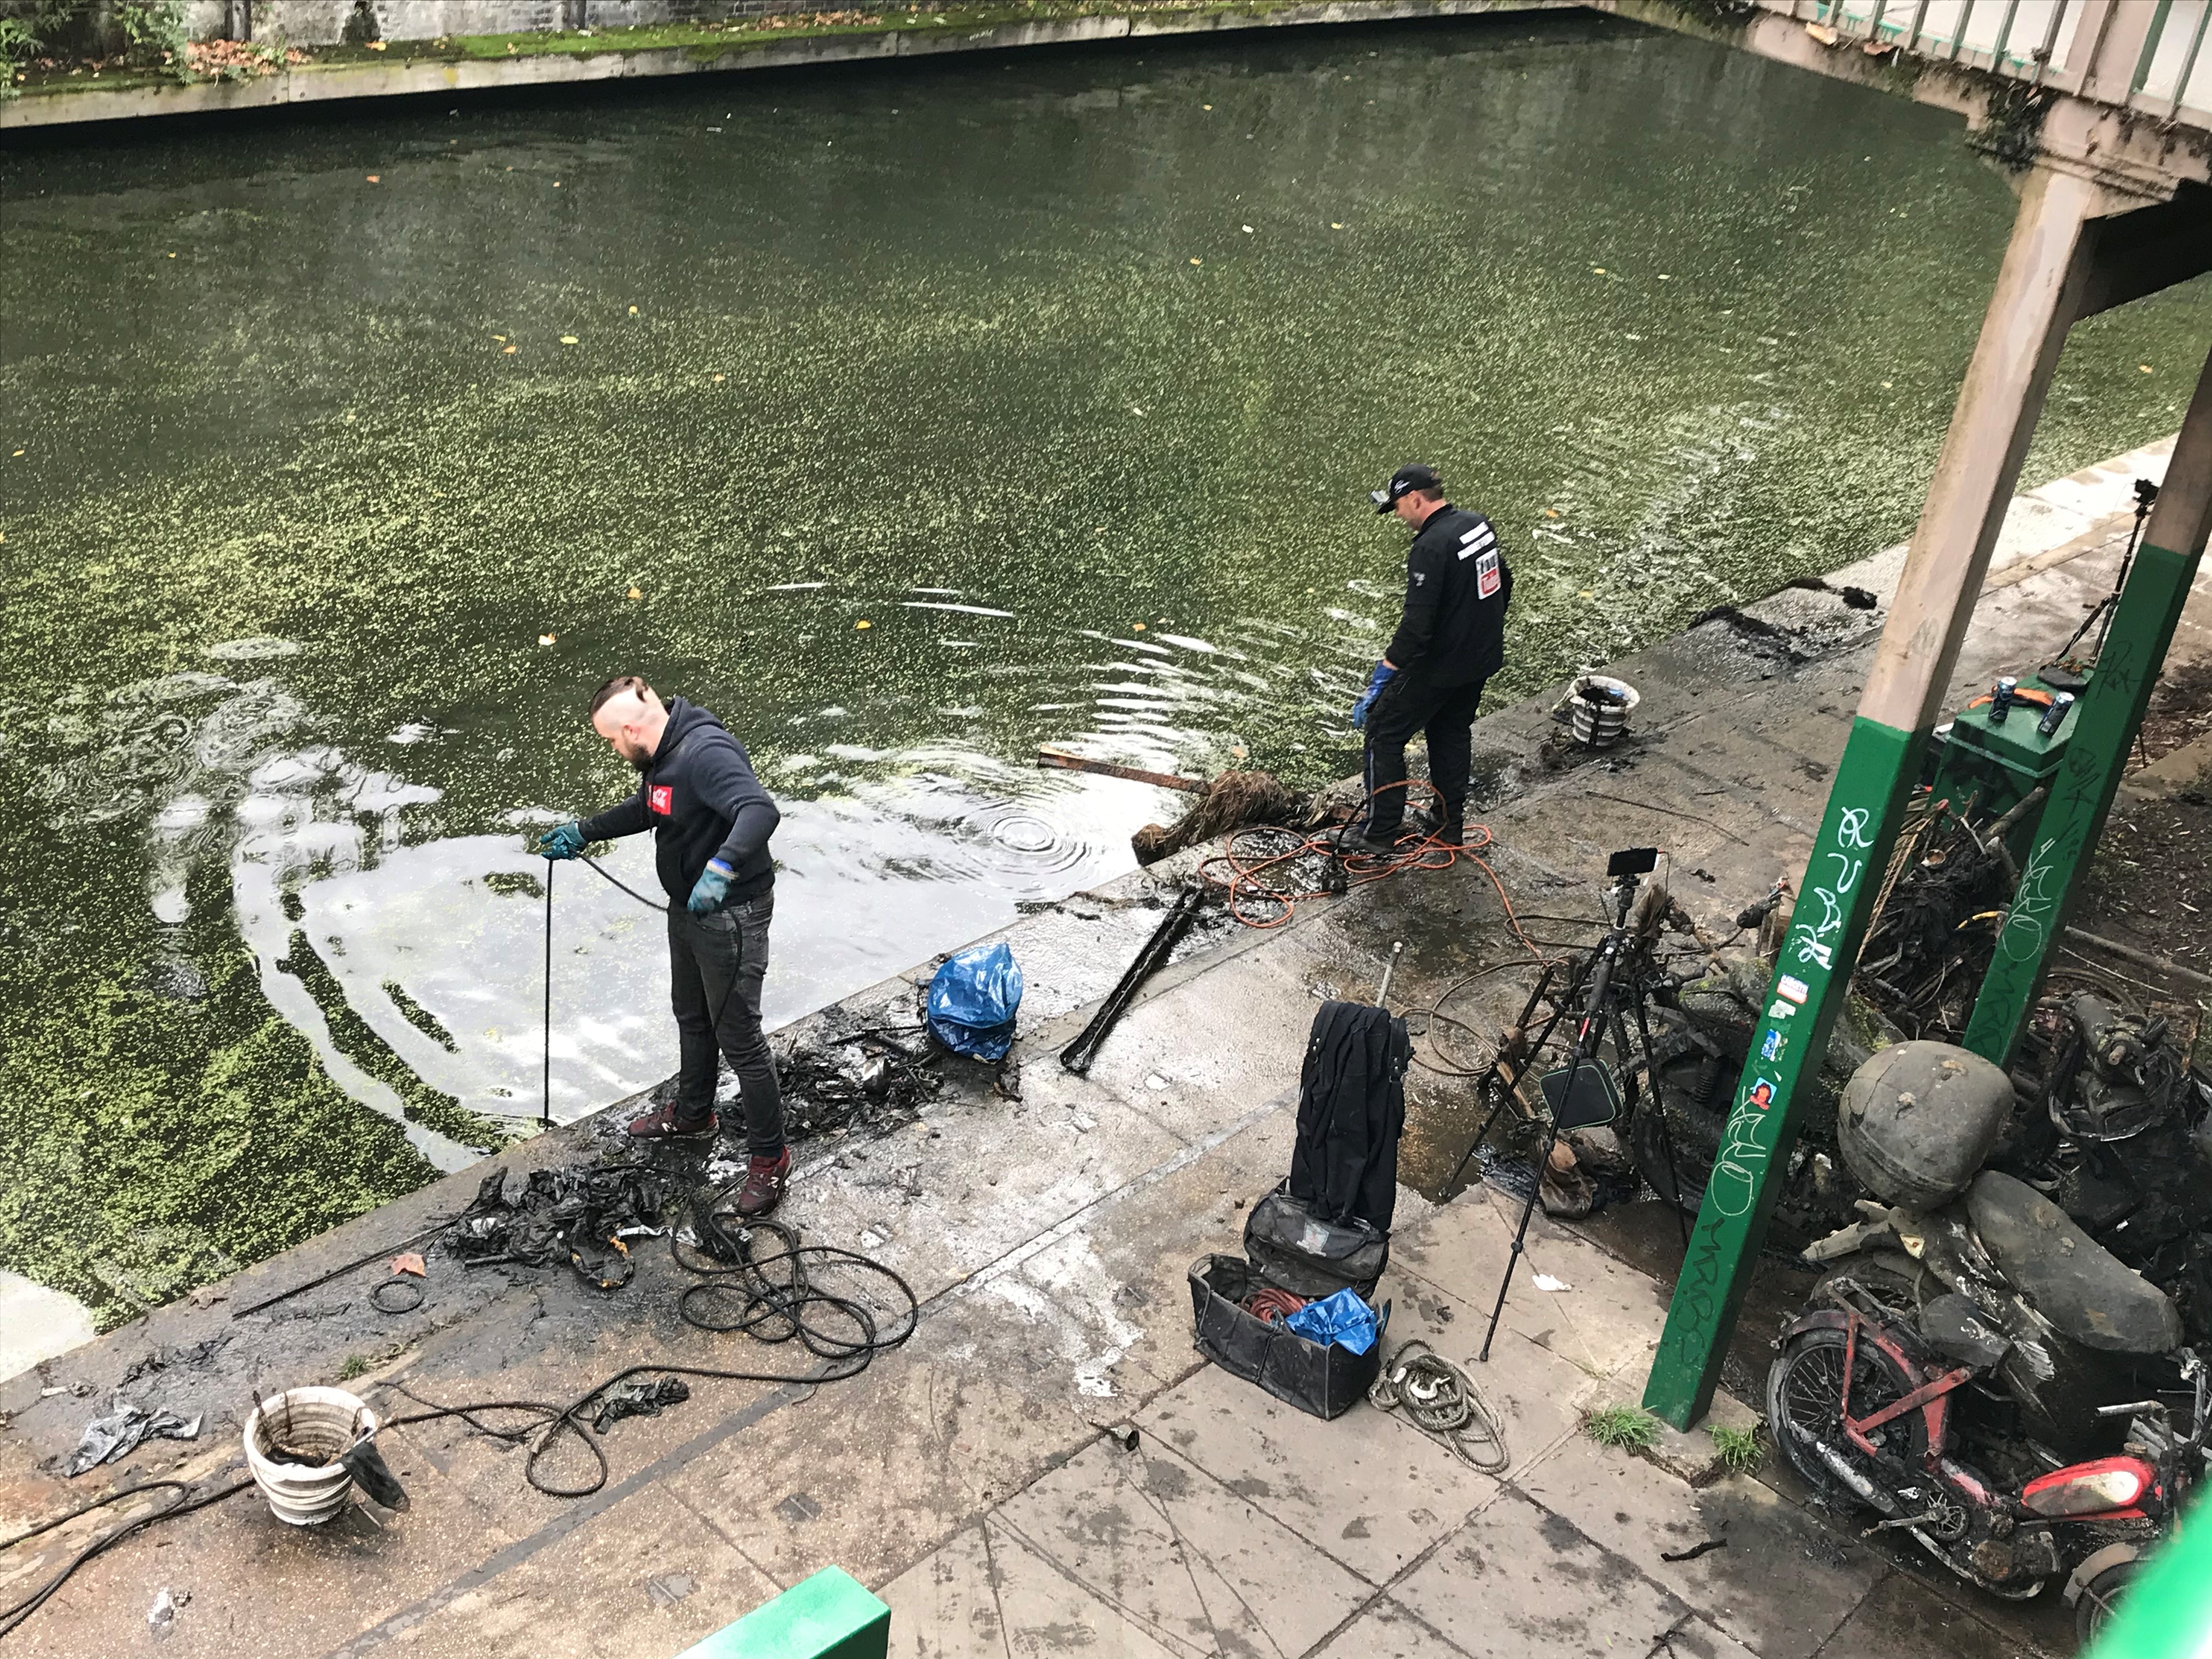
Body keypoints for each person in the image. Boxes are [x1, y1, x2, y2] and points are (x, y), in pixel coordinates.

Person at [540, 676, 791, 1217]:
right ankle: (694, 1114)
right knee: (691, 1015)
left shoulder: (705, 753)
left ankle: (770, 1160)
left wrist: (722, 867)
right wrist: (585, 832)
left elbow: (759, 811)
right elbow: (652, 807)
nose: (613, 750)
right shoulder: (665, 753)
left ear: (632, 727)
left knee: (740, 1037)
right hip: (689, 910)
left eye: (611, 741)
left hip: (730, 915)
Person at [1350, 462, 1513, 852]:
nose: (1398, 515)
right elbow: (1502, 584)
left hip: (1441, 664)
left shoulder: (1429, 546)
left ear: (1415, 499)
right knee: (1450, 732)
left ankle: (1379, 833)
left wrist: (1385, 672)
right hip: (1480, 658)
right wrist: (1479, 631)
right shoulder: (1477, 525)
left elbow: (1417, 626)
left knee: (1382, 733)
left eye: (1398, 507)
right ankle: (1448, 824)